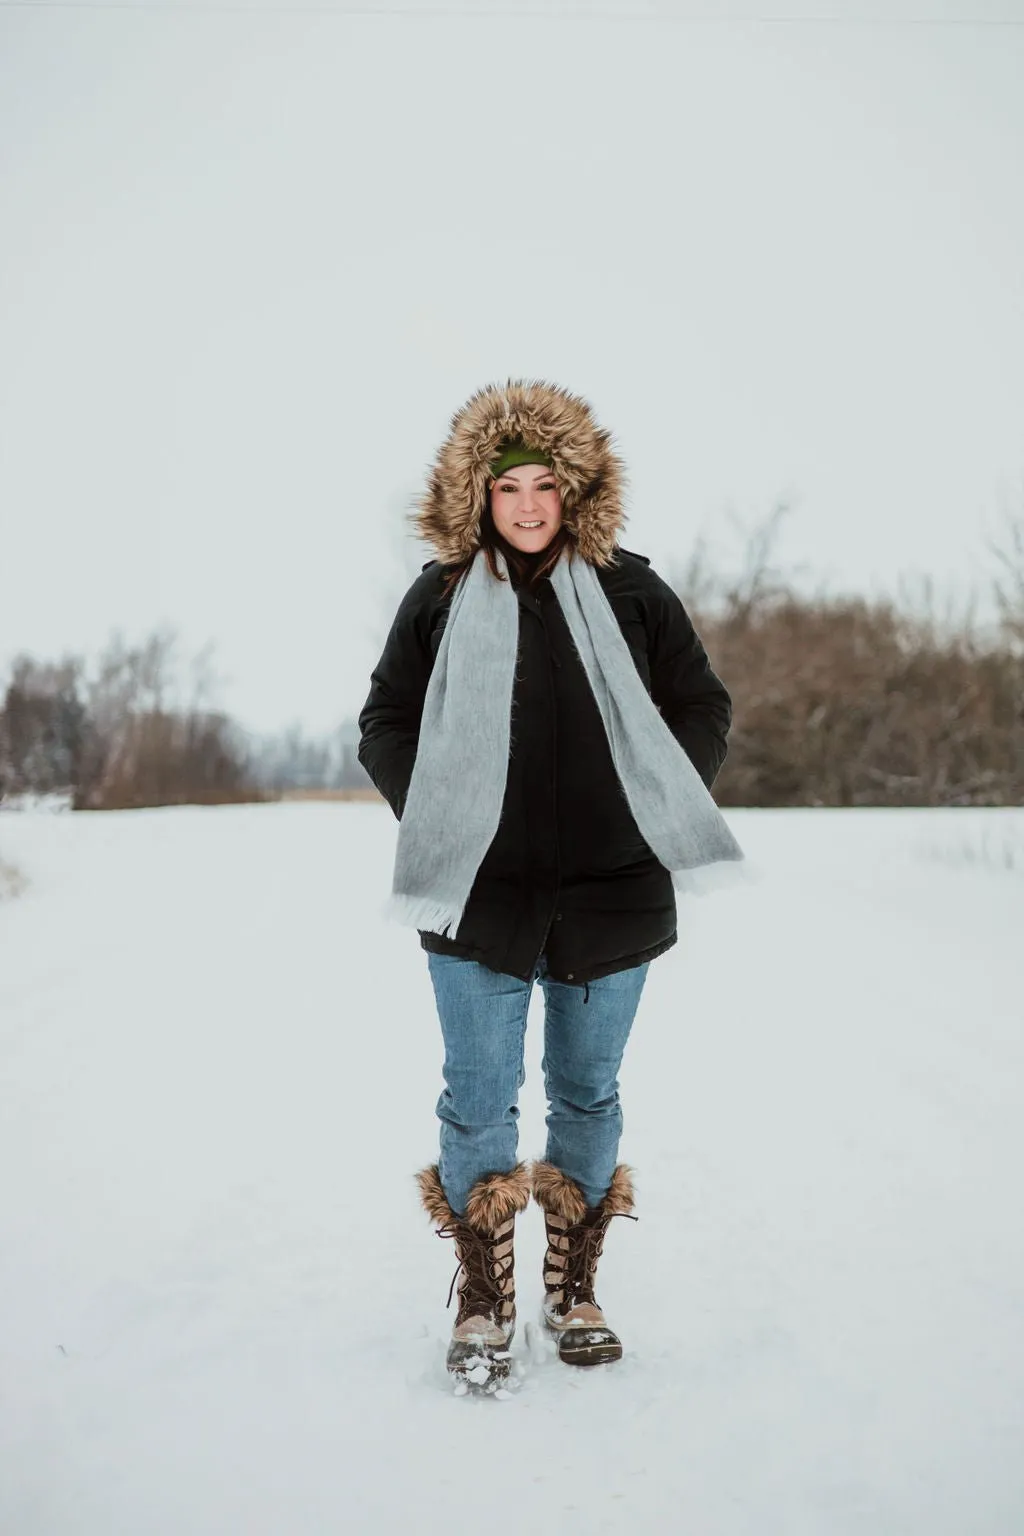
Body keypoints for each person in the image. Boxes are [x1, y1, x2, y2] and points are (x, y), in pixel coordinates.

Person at [358, 379, 738, 1390]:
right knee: (478, 1103)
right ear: (475, 495)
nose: (527, 506)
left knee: (586, 1092)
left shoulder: (633, 592)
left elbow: (701, 702)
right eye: (507, 487)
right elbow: (383, 721)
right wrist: (438, 808)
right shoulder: (438, 597)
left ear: (576, 491)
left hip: (613, 890)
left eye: (545, 486)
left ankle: (573, 1283)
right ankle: (484, 1290)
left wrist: (651, 795)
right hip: (475, 893)